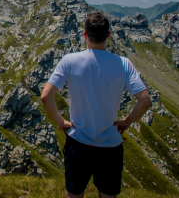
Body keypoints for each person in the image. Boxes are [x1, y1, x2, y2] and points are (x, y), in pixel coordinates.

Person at [41, 13, 151, 198]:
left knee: (74, 194)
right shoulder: (124, 64)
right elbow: (145, 101)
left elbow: (46, 96)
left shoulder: (69, 61)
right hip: (110, 144)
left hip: (78, 141)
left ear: (85, 35)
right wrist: (127, 121)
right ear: (108, 35)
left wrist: (61, 122)